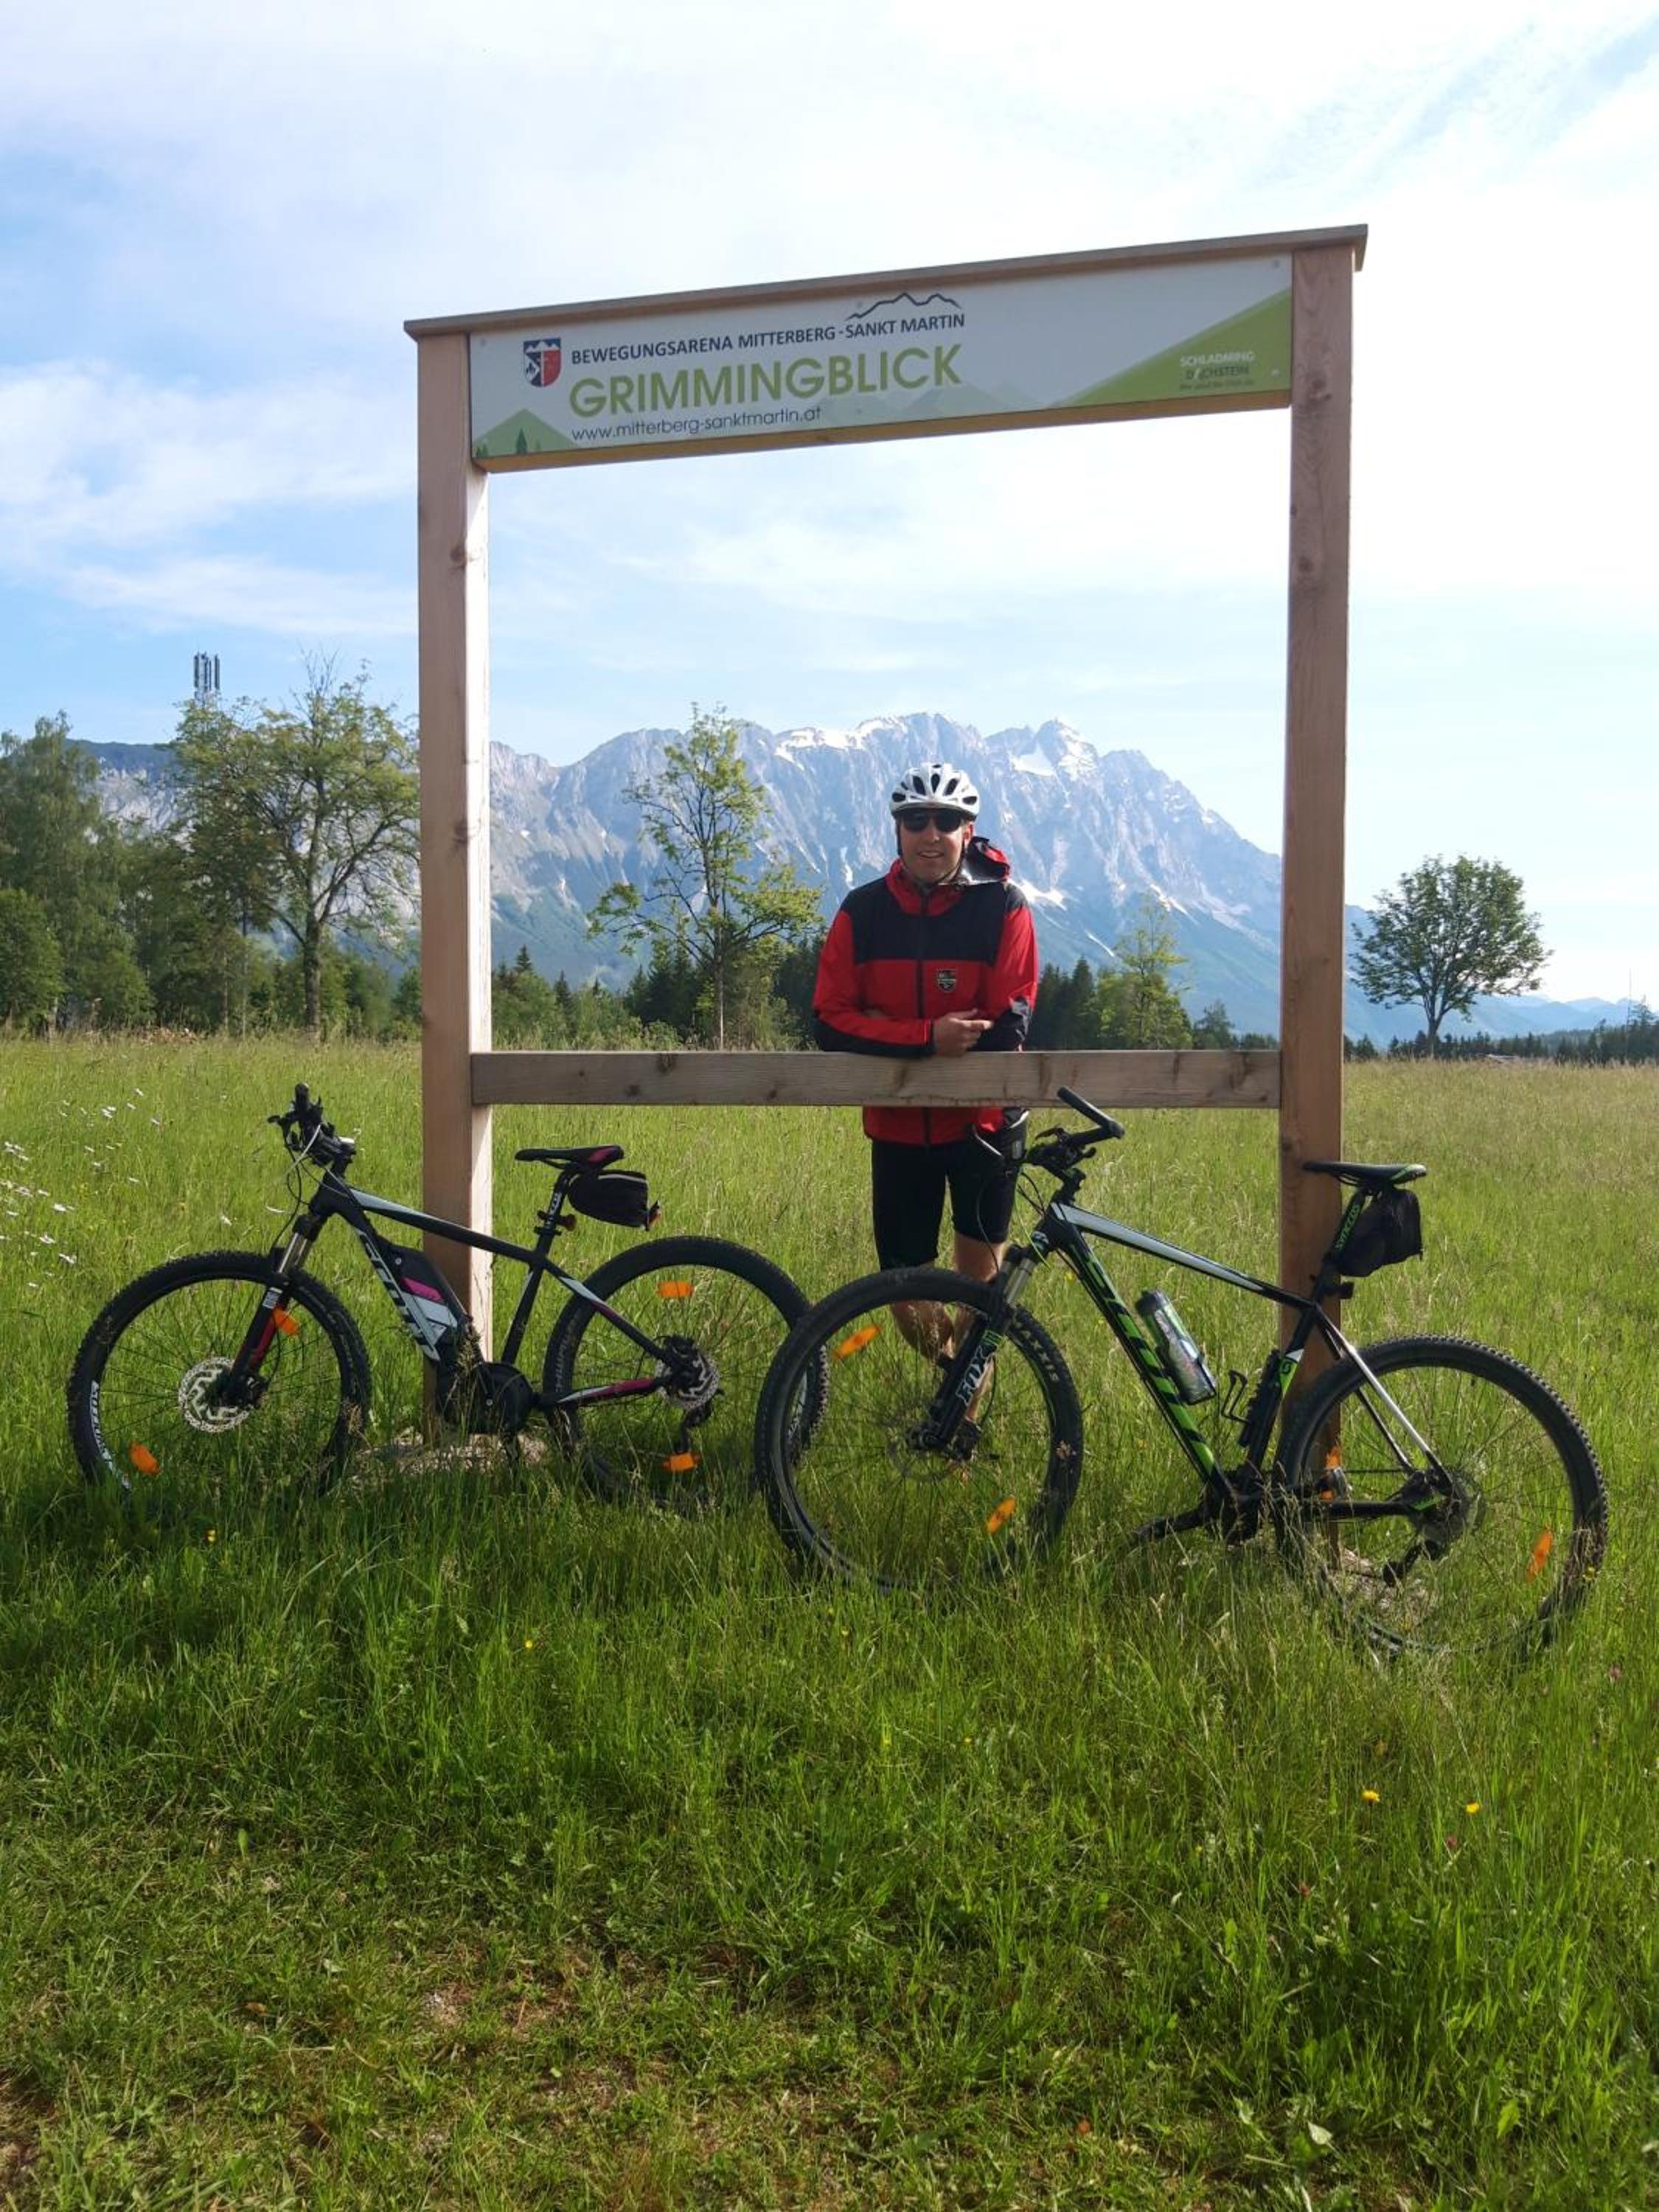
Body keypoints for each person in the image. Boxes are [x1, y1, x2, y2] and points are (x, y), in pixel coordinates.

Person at [812, 762, 1037, 1349]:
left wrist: (879, 1028)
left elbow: (1004, 1027)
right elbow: (829, 1022)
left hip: (985, 1125)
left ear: (969, 831)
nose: (930, 834)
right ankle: (950, 1382)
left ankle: (963, 1399)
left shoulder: (1004, 905)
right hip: (898, 1125)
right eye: (916, 821)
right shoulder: (862, 912)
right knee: (904, 1296)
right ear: (898, 830)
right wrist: (928, 1037)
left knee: (980, 1295)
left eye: (946, 821)